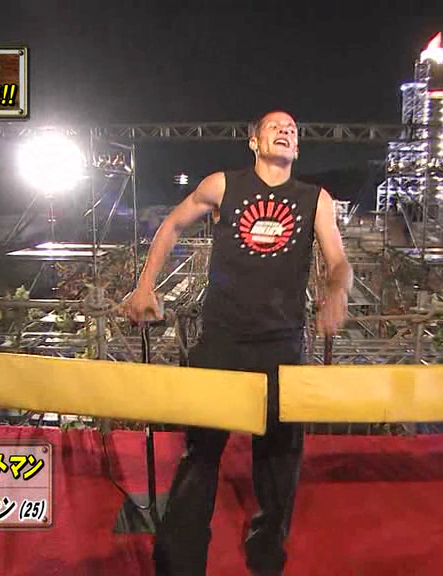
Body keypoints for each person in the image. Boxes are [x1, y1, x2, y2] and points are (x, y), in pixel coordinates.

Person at [123, 110, 352, 575]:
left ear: (298, 148)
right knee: (201, 454)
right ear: (254, 141)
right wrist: (145, 286)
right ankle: (179, 563)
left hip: (282, 344)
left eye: (292, 129)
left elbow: (339, 261)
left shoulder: (316, 199)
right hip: (222, 341)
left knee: (279, 461)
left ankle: (266, 556)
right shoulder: (223, 185)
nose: (285, 131)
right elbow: (172, 224)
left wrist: (338, 292)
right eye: (275, 127)